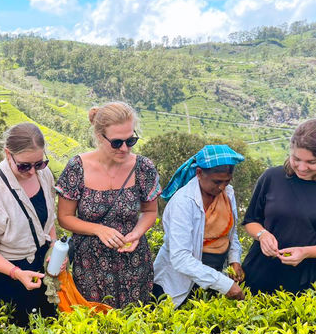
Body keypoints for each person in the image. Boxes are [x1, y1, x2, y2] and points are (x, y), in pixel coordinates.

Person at [56, 101, 161, 308]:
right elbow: (64, 217)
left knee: (134, 325)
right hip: (90, 267)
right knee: (92, 325)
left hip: (134, 263)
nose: (124, 148)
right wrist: (98, 230)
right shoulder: (78, 167)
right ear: (99, 136)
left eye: (130, 141)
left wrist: (137, 233)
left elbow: (150, 211)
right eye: (116, 142)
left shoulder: (143, 167)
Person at [0, 122, 57, 327]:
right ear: (8, 154)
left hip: (37, 269)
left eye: (39, 164)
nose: (32, 172)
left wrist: (53, 247)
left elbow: (48, 221)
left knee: (44, 331)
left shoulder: (45, 175)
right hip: (3, 275)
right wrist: (17, 273)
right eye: (24, 166)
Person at [153, 145, 246, 308]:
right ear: (199, 174)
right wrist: (224, 284)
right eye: (217, 182)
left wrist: (234, 260)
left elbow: (231, 233)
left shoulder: (227, 193)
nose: (222, 187)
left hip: (215, 274)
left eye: (227, 181)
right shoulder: (183, 202)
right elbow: (181, 258)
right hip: (182, 282)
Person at [242, 119, 316, 294]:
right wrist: (263, 235)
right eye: (296, 159)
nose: (302, 167)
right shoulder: (272, 177)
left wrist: (305, 252)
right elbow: (251, 220)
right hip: (258, 275)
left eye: (311, 162)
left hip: (306, 285)